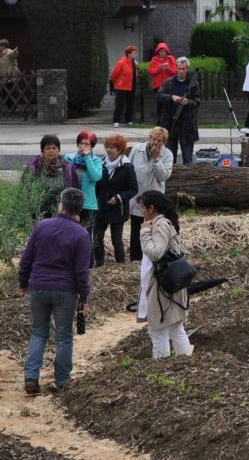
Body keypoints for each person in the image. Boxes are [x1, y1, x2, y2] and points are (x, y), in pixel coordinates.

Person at [19, 187, 91, 394]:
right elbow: (81, 272)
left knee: (38, 332)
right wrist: (84, 297)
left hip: (39, 286)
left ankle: (31, 377)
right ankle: (62, 380)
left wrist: (23, 283)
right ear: (80, 209)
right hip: (65, 291)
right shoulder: (81, 234)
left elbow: (26, 259)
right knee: (64, 336)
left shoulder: (42, 226)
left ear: (61, 206)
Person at [138, 190, 191, 359]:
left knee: (158, 330)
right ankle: (186, 365)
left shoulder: (159, 226)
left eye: (143, 208)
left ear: (151, 208)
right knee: (176, 327)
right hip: (170, 283)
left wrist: (144, 233)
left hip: (162, 287)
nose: (141, 212)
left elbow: (156, 254)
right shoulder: (164, 223)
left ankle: (162, 369)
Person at [128, 127, 173, 261]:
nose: (155, 143)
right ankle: (135, 258)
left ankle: (151, 257)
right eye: (154, 139)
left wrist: (157, 159)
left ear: (164, 142)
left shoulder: (167, 154)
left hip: (154, 199)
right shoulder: (137, 149)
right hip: (137, 196)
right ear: (150, 138)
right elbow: (129, 169)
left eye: (159, 141)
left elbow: (164, 176)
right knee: (136, 229)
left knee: (153, 228)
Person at [94, 134, 136, 266]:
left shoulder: (127, 166)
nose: (108, 150)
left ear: (120, 150)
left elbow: (133, 189)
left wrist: (118, 198)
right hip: (101, 207)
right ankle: (99, 263)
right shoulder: (100, 163)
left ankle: (121, 264)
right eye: (107, 147)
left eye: (112, 147)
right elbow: (96, 184)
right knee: (97, 237)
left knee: (116, 239)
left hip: (118, 209)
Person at [64, 131, 105, 264]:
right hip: (71, 203)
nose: (83, 146)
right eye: (81, 143)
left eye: (87, 144)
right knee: (70, 233)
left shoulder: (96, 160)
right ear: (77, 144)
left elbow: (96, 177)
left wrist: (87, 158)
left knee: (86, 235)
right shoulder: (69, 158)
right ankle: (71, 262)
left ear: (92, 146)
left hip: (88, 204)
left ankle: (88, 264)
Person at [157, 57, 200, 165]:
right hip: (171, 123)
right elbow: (159, 95)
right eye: (179, 68)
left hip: (187, 124)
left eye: (183, 69)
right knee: (170, 159)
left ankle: (188, 175)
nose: (180, 71)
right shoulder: (169, 82)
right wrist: (171, 97)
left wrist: (188, 102)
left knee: (188, 159)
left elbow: (197, 101)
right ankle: (171, 175)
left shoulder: (193, 84)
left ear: (187, 69)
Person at [26, 134, 78, 218]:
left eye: (54, 148)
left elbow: (74, 190)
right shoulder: (33, 167)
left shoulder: (68, 168)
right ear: (42, 151)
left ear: (59, 151)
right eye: (48, 148)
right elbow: (25, 190)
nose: (51, 151)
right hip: (38, 213)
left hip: (61, 212)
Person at [109, 45, 138, 128]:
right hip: (121, 87)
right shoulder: (122, 62)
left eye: (136, 52)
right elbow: (114, 74)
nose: (136, 54)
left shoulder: (134, 62)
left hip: (132, 86)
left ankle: (129, 120)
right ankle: (116, 121)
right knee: (120, 104)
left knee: (130, 104)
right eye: (134, 53)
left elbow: (135, 74)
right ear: (129, 53)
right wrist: (118, 83)